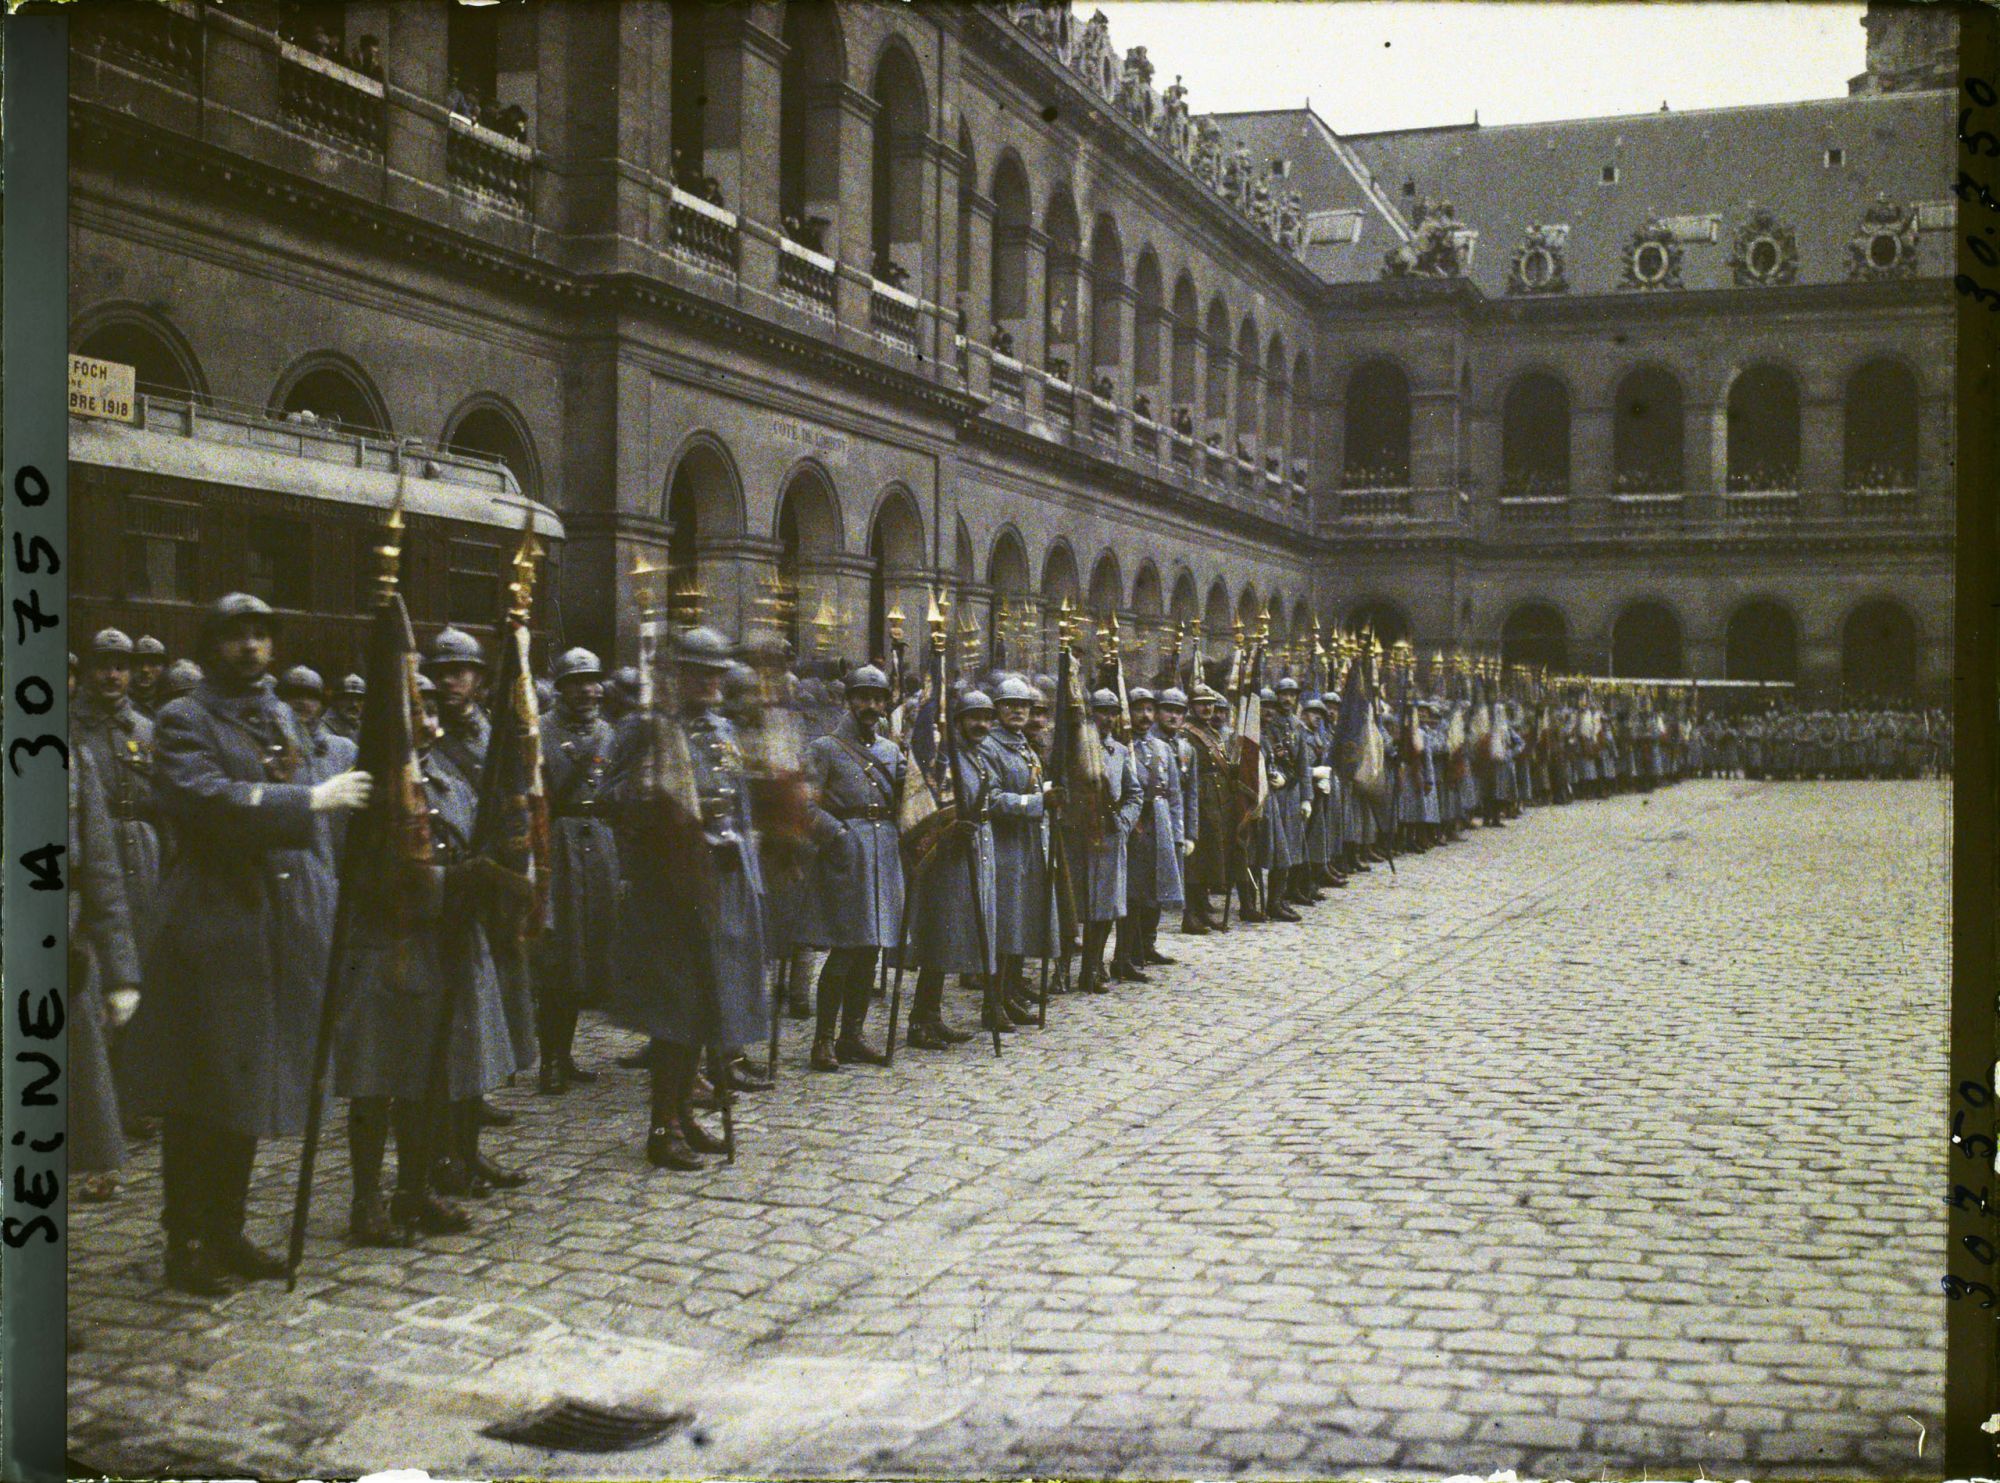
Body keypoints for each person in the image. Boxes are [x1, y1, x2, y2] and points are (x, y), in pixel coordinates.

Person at [123, 594, 373, 1294]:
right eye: (237, 637)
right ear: (211, 647)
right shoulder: (183, 718)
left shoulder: (279, 713)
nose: (252, 648)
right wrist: (309, 802)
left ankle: (228, 1228)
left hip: (272, 922)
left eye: (263, 635)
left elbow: (287, 781)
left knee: (248, 1083)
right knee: (201, 1090)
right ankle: (188, 1240)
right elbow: (205, 798)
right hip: (212, 922)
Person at [333, 672, 523, 1243]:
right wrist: (454, 881)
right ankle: (366, 1203)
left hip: (445, 946)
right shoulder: (369, 789)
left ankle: (415, 1192)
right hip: (385, 947)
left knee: (430, 1077)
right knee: (376, 1079)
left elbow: (473, 844)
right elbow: (364, 876)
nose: (428, 717)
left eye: (434, 705)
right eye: (415, 706)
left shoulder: (447, 779)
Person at [609, 627, 769, 1170]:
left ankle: (684, 1114)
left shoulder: (721, 729)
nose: (711, 682)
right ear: (677, 675)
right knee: (675, 1008)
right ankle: (661, 1125)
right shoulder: (646, 730)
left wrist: (744, 858)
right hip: (670, 887)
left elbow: (738, 801)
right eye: (700, 671)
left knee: (708, 1002)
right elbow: (611, 796)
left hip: (721, 882)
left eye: (717, 672)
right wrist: (657, 810)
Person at [423, 626, 533, 1134]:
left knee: (493, 992)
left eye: (459, 672)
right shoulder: (424, 734)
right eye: (441, 672)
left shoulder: (495, 732)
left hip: (494, 876)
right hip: (452, 878)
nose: (449, 682)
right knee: (455, 1002)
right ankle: (448, 1119)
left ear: (480, 680)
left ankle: (477, 1095)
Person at [796, 665, 917, 1064]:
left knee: (872, 949)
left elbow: (911, 795)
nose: (871, 706)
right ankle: (823, 1040)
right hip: (847, 855)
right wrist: (838, 835)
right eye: (863, 697)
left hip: (883, 852)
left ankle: (852, 1034)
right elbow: (805, 805)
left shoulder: (890, 750)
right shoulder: (825, 748)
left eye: (878, 699)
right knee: (846, 949)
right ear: (849, 700)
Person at [536, 647, 620, 1092]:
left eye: (592, 681)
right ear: (561, 688)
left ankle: (566, 1055)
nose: (587, 689)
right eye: (577, 682)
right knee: (558, 956)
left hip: (601, 842)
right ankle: (549, 1059)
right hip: (560, 840)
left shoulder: (609, 733)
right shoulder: (541, 731)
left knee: (587, 953)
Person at [907, 691, 1004, 1036]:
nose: (981, 724)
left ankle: (932, 1015)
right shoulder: (946, 759)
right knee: (940, 932)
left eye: (987, 718)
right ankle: (921, 1020)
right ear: (958, 721)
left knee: (955, 933)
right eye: (973, 717)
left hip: (974, 847)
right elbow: (928, 805)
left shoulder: (978, 757)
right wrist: (949, 830)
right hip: (947, 855)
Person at [73, 628, 166, 964]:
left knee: (144, 943)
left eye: (121, 667)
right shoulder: (69, 726)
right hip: (88, 851)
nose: (112, 676)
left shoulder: (147, 729)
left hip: (142, 852)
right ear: (87, 671)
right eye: (103, 666)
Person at [983, 675, 1056, 1025]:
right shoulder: (990, 746)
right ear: (997, 709)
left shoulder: (1024, 745)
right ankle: (992, 1002)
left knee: (1022, 920)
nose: (1017, 711)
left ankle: (1010, 992)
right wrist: (1036, 802)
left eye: (1024, 706)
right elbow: (992, 799)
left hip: (1027, 841)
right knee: (1005, 923)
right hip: (1003, 842)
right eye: (1010, 705)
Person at [1077, 689, 1141, 994]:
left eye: (1114, 712)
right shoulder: (1076, 746)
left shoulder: (1120, 751)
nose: (1110, 718)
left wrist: (1125, 822)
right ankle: (1071, 969)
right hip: (1080, 836)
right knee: (1081, 905)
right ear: (1092, 713)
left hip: (1110, 834)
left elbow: (1134, 793)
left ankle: (1093, 966)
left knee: (1106, 905)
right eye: (1103, 711)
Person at [1118, 688, 1186, 977]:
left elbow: (1174, 794)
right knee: (1134, 892)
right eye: (1138, 710)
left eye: (1149, 710)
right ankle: (1128, 952)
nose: (1144, 716)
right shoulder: (1123, 747)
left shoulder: (1162, 748)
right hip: (1135, 824)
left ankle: (1148, 944)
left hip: (1160, 821)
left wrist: (1179, 832)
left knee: (1157, 887)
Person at [132, 634, 168, 717]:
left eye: (153, 663)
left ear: (164, 668)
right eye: (139, 663)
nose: (145, 670)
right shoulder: (117, 703)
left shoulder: (170, 704)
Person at [327, 673, 366, 740]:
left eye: (359, 699)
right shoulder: (323, 729)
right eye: (348, 698)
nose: (354, 704)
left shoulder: (362, 729)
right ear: (336, 701)